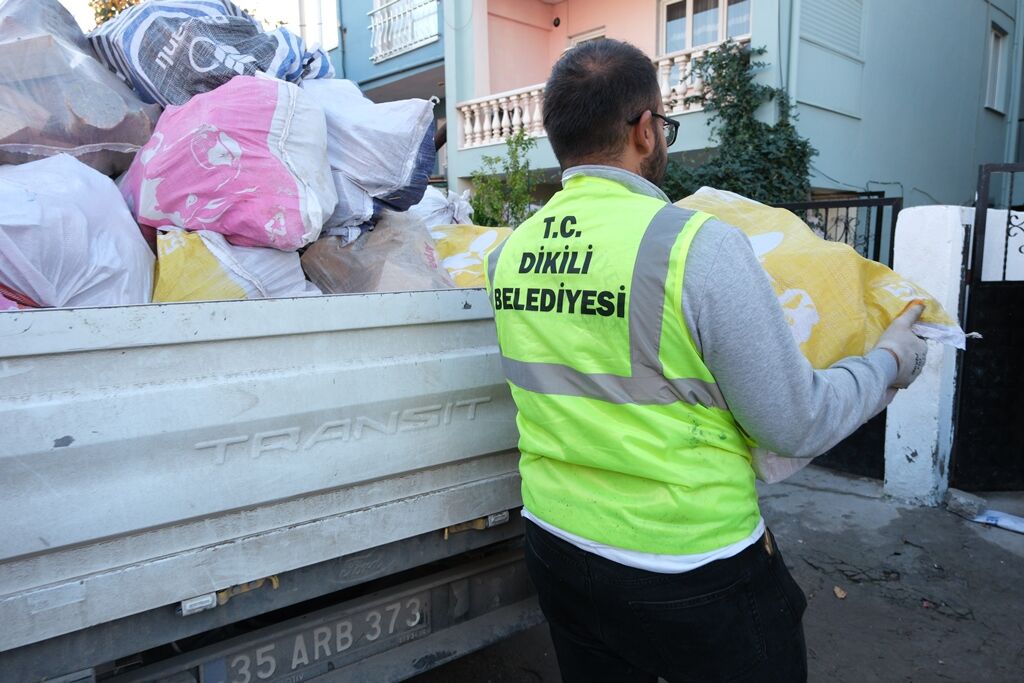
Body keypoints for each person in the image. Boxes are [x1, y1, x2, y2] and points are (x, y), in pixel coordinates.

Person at [484, 38, 927, 683]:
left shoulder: (511, 254)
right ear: (643, 130)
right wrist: (888, 363)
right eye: (662, 125)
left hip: (557, 545)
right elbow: (794, 423)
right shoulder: (695, 248)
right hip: (688, 564)